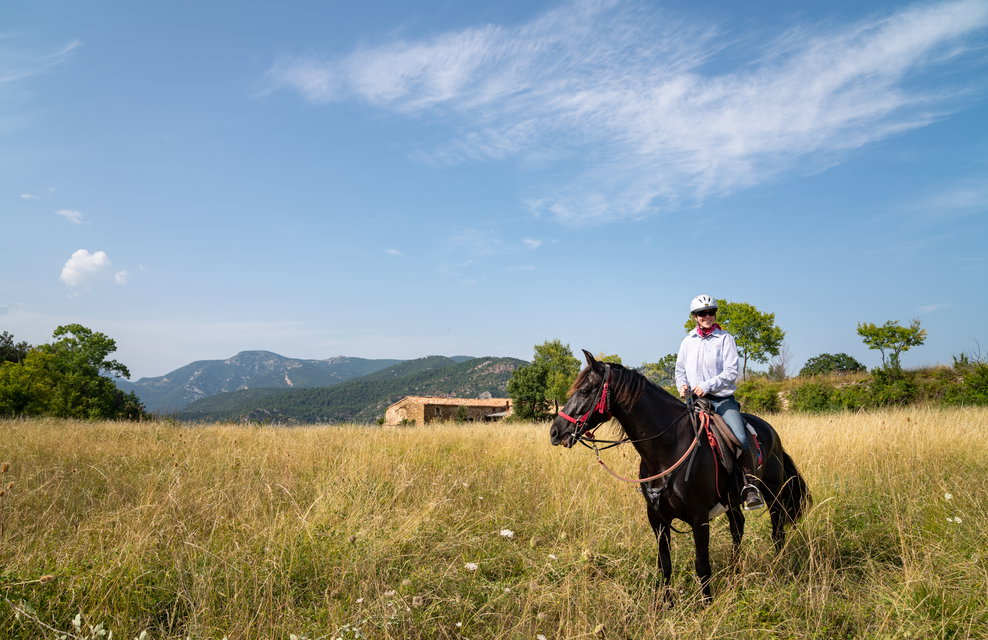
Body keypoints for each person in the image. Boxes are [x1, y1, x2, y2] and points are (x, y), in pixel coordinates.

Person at [675, 294, 764, 510]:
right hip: (694, 401)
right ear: (695, 317)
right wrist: (682, 385)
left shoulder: (725, 339)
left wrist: (707, 385)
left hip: (721, 400)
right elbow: (680, 370)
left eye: (711, 312)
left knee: (740, 437)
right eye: (702, 313)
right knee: (672, 435)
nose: (707, 316)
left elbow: (731, 372)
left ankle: (749, 486)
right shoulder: (687, 341)